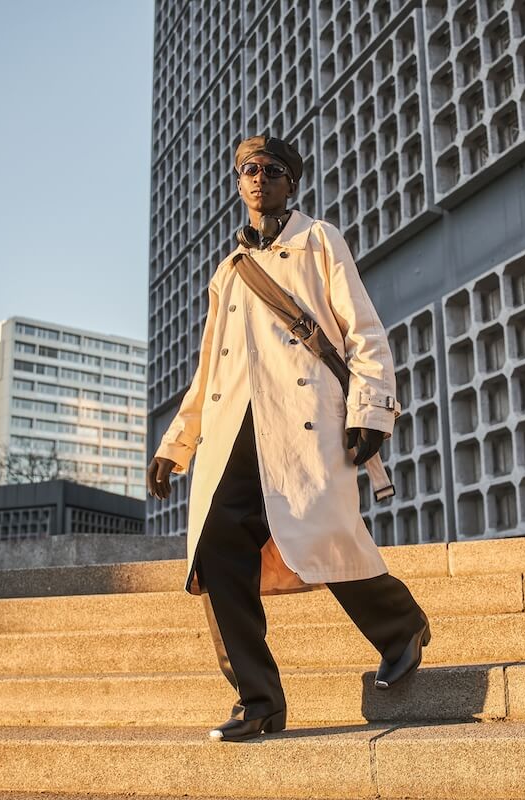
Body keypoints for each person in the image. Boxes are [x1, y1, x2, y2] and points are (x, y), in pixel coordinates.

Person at [147, 134, 430, 743]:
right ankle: (259, 699)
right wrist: (176, 444)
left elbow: (363, 331)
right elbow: (209, 371)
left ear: (290, 181)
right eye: (248, 169)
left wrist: (373, 410)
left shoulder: (318, 239)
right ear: (238, 181)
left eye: (271, 169)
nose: (258, 178)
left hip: (303, 418)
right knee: (218, 543)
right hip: (235, 429)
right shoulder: (228, 271)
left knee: (324, 532)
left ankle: (400, 626)